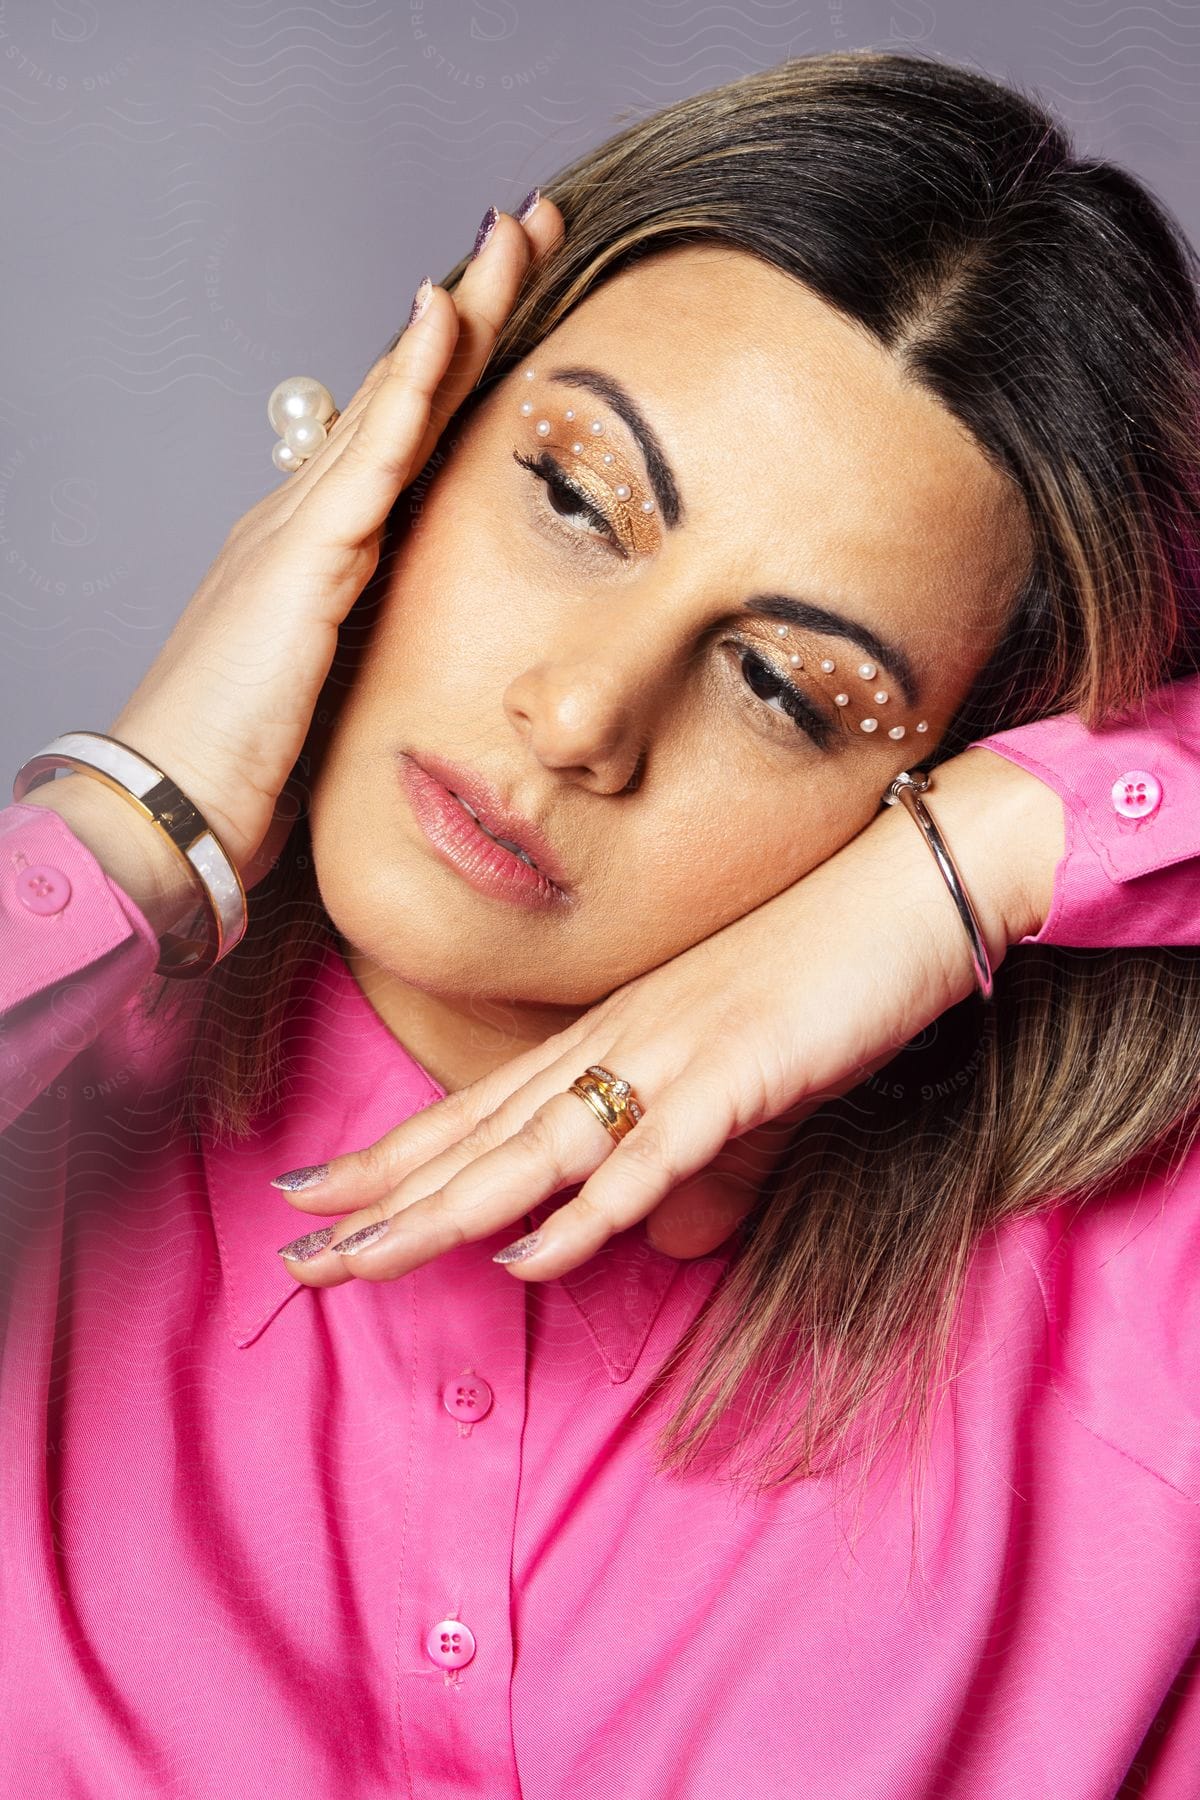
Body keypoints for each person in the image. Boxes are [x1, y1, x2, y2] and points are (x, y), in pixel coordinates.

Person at [3, 47, 1200, 1798]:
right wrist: (134, 810)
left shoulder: (1129, 1321)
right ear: (401, 447)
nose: (582, 717)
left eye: (789, 689)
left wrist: (996, 855)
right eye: (573, 498)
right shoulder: (46, 1132)